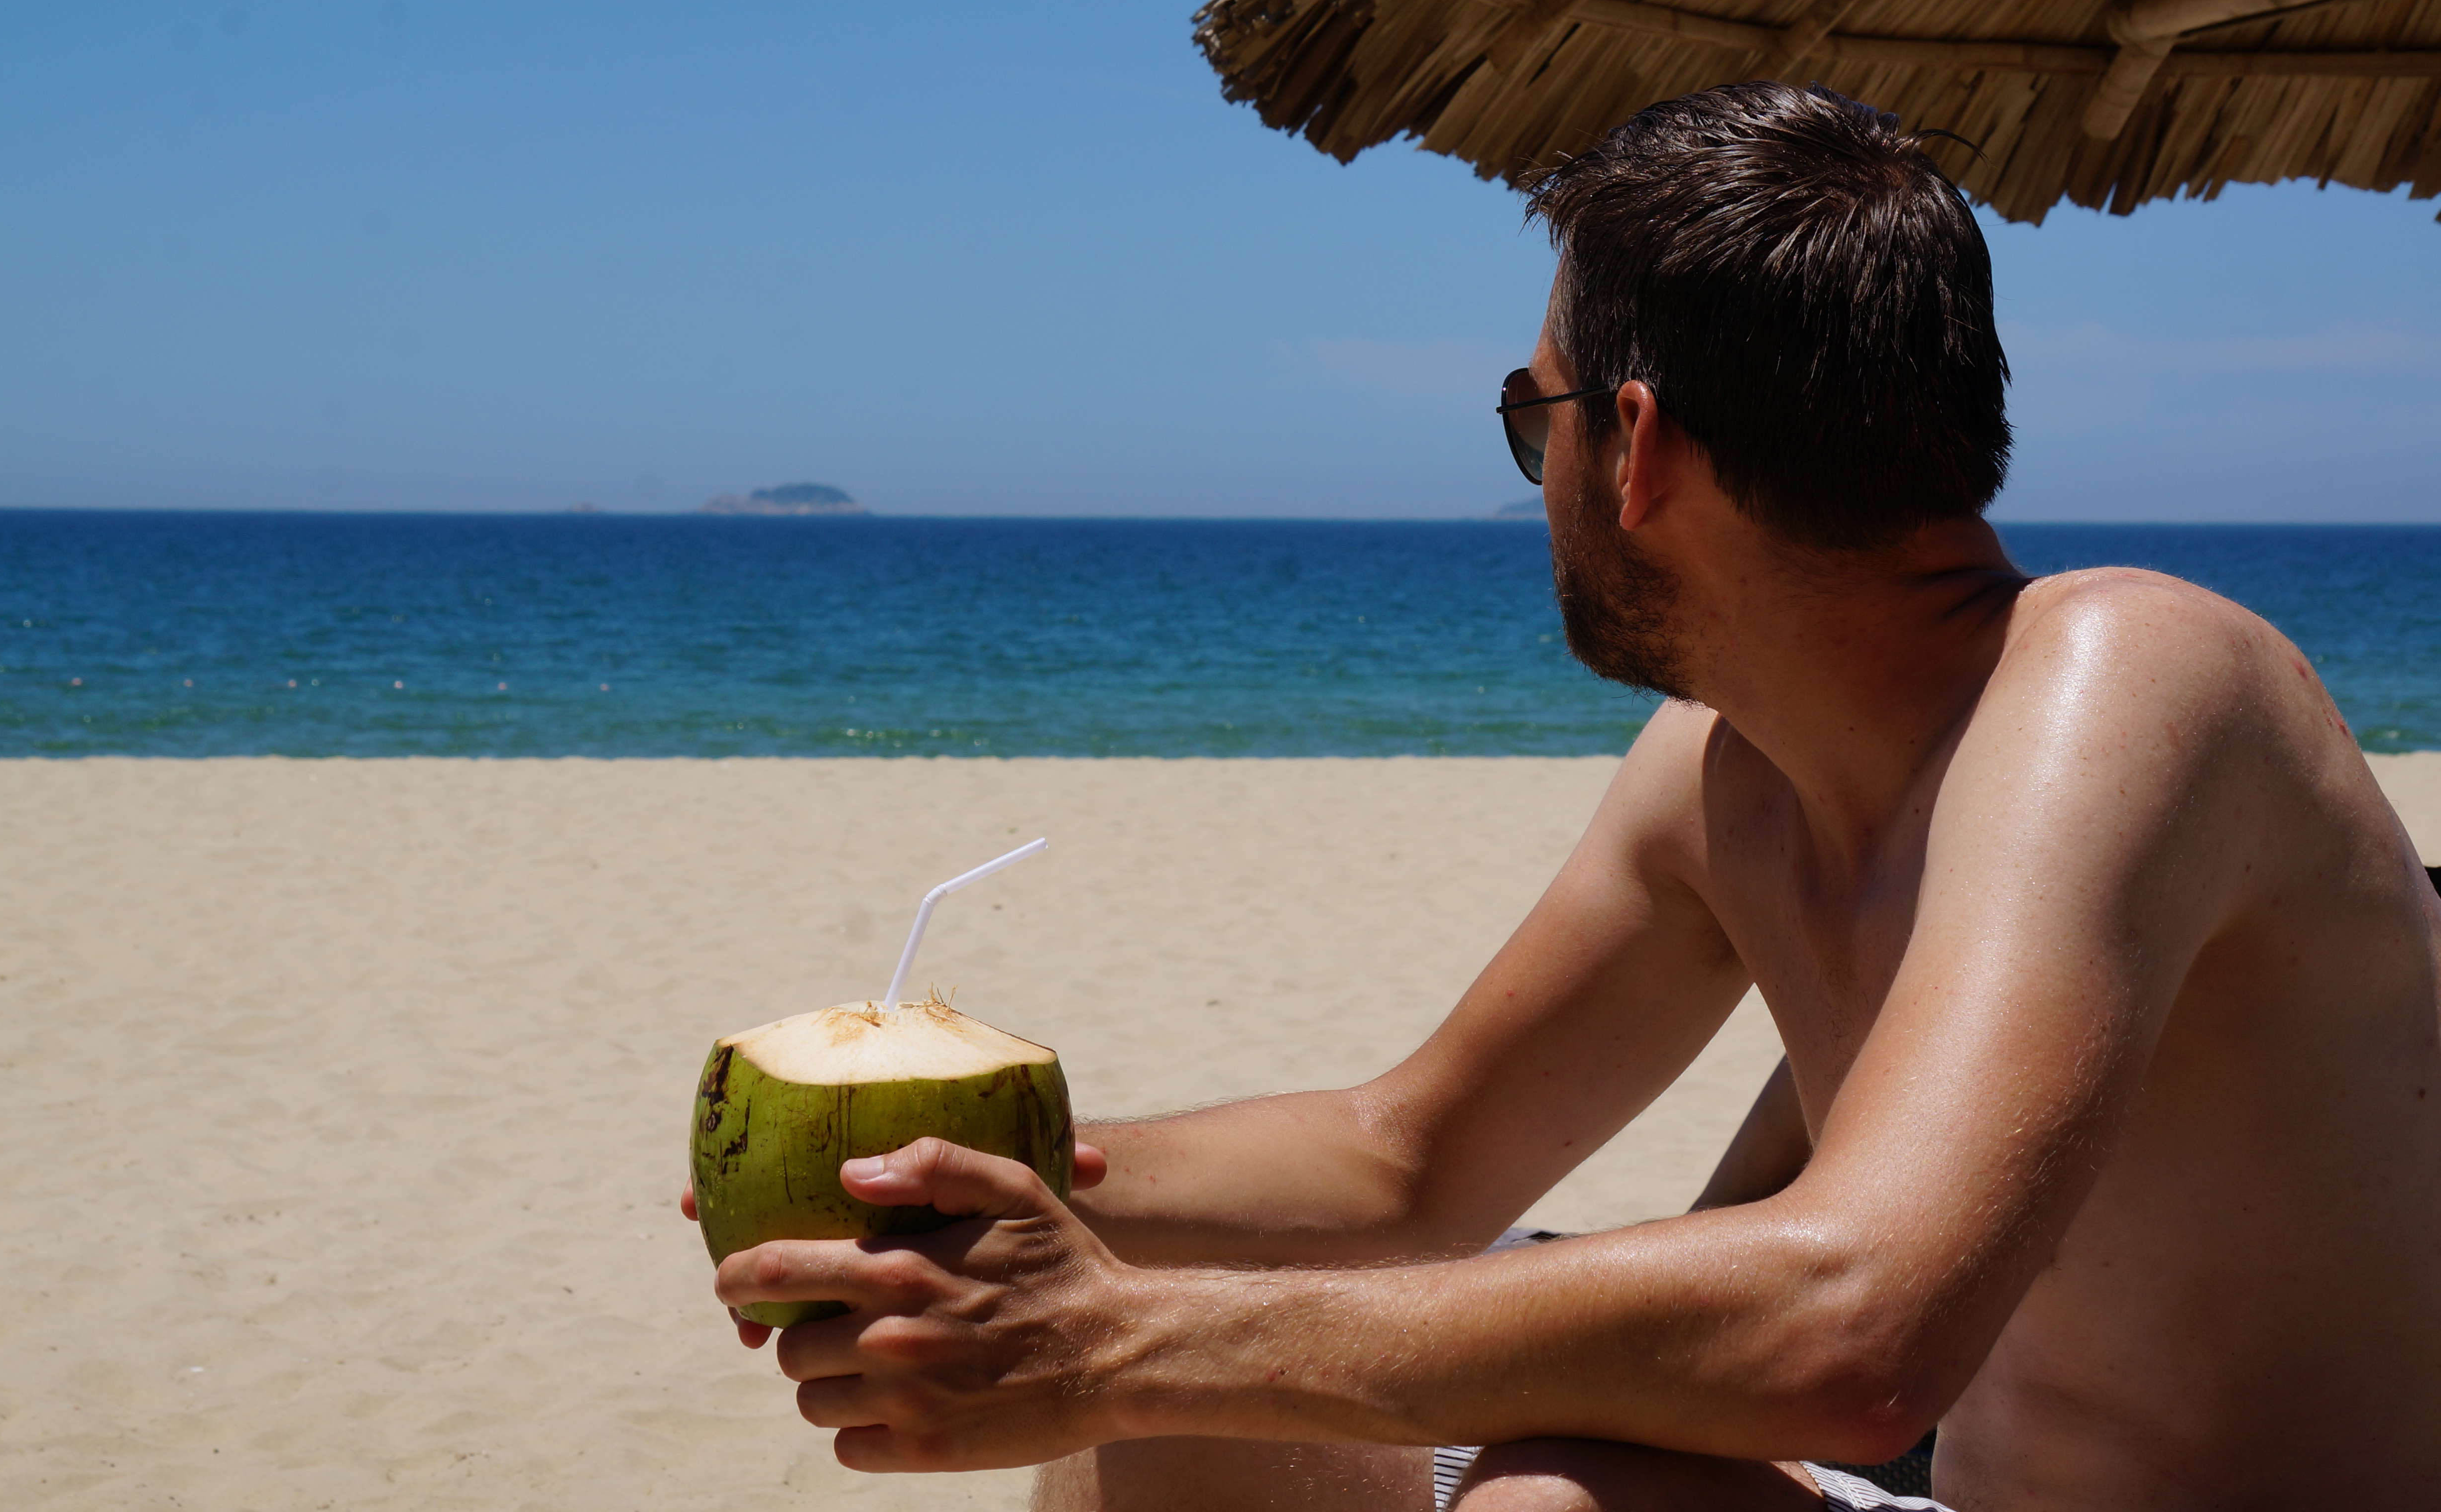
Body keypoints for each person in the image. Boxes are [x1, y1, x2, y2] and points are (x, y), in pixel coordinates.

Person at [682, 83, 2441, 1510]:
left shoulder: (2133, 681)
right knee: (1181, 1421)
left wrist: (1123, 1334)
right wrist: (949, 1183)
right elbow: (1412, 1158)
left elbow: (1863, 1330)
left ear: (1642, 446)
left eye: (1539, 427)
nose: (1542, 486)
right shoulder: (1725, 769)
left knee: (1519, 1508)